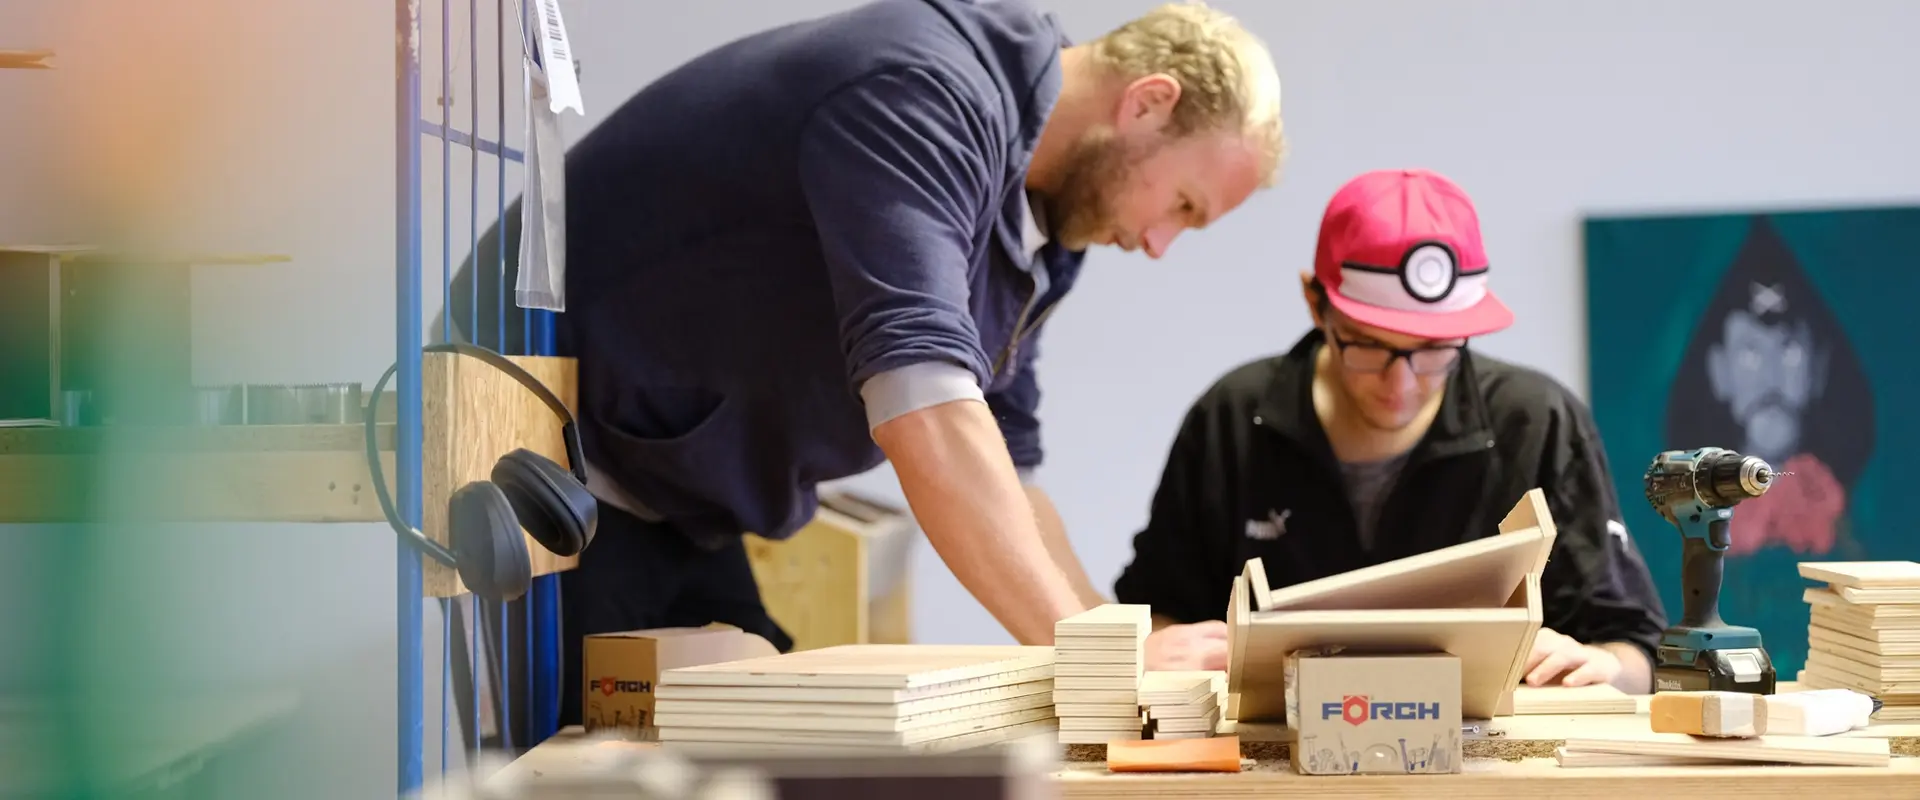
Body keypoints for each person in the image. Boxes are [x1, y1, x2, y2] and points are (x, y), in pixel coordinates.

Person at [439, 0, 1287, 726]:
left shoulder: (1045, 226)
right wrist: (1106, 674)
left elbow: (1006, 467)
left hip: (675, 498)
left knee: (771, 750)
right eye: (1182, 204)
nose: (1158, 244)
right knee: (580, 769)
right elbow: (926, 412)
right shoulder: (923, 93)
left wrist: (1118, 640)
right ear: (1147, 102)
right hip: (542, 455)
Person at [1111, 168, 1670, 693]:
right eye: (1368, 346)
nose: (1400, 385)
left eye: (1434, 352)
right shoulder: (1232, 417)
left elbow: (1640, 651)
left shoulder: (1537, 421)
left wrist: (1604, 665)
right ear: (1315, 303)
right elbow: (1157, 611)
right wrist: (1156, 648)